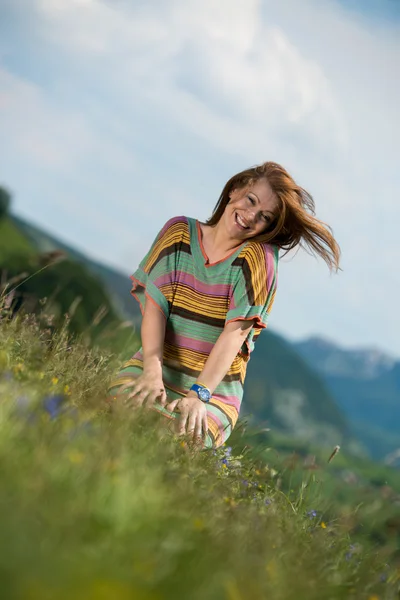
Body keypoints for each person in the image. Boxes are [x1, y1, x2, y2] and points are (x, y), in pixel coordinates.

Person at [107, 161, 340, 448]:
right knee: (118, 411)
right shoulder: (178, 233)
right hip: (155, 367)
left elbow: (236, 333)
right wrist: (152, 373)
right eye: (250, 200)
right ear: (234, 190)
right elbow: (156, 307)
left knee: (170, 442)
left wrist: (198, 396)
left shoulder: (257, 259)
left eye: (264, 217)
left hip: (212, 394)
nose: (250, 216)